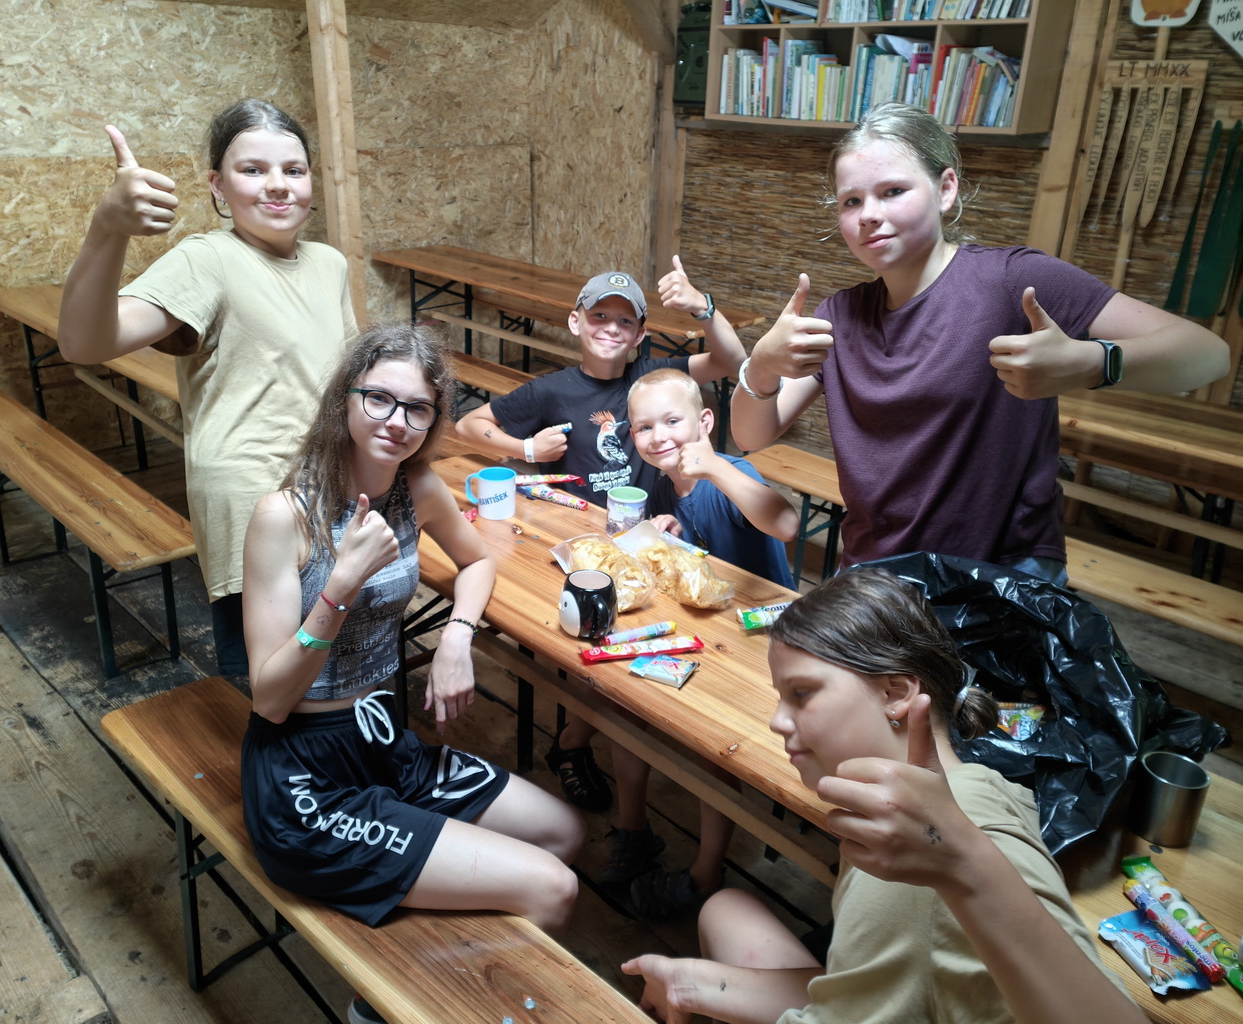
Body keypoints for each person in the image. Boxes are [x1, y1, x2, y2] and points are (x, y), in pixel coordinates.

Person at [240, 325, 584, 1024]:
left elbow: (478, 560)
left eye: (417, 408)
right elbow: (270, 698)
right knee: (552, 888)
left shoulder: (416, 488)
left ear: (433, 419)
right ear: (344, 400)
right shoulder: (285, 516)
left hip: (385, 745)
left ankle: (407, 963)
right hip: (307, 777)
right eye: (379, 399)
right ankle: (388, 1007)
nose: (396, 421)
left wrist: (457, 635)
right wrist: (339, 587)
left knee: (563, 832)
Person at [731, 103, 1229, 584]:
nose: (868, 215)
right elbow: (751, 435)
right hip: (874, 572)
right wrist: (764, 366)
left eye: (893, 191)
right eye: (851, 201)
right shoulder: (838, 316)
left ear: (945, 189)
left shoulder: (1011, 281)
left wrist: (1092, 362)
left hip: (1002, 575)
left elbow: (1208, 354)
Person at [621, 566, 1138, 1024]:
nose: (777, 721)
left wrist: (962, 864)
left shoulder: (919, 866)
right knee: (724, 909)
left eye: (802, 693)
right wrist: (691, 985)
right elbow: (873, 989)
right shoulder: (975, 786)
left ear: (895, 693)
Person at [58, 99, 359, 677]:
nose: (278, 185)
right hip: (252, 503)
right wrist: (107, 229)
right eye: (253, 170)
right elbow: (83, 343)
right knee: (276, 682)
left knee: (342, 664)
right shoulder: (209, 259)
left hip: (329, 490)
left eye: (293, 170)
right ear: (218, 186)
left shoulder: (329, 263)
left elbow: (348, 376)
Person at [455, 257, 745, 825]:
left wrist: (703, 308)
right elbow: (469, 426)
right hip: (581, 544)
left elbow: (734, 361)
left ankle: (581, 739)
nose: (611, 328)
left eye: (624, 321)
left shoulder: (654, 376)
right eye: (599, 316)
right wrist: (527, 450)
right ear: (575, 322)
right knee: (603, 652)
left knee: (645, 649)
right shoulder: (552, 390)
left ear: (640, 333)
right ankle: (576, 742)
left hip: (653, 541)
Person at [611, 367, 799, 920]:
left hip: (764, 640)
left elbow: (785, 523)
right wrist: (668, 534)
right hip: (708, 633)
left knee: (709, 743)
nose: (658, 436)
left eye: (673, 421)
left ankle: (706, 872)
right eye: (644, 427)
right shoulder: (664, 485)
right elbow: (695, 559)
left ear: (705, 422)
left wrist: (718, 466)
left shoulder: (728, 474)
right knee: (622, 699)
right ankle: (632, 829)